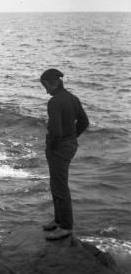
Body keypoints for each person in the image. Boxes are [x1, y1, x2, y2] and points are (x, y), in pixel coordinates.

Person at [40, 69, 89, 240]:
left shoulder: (54, 102)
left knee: (59, 186)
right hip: (70, 145)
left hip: (59, 148)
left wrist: (52, 145)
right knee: (56, 183)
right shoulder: (72, 98)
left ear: (48, 83)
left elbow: (56, 132)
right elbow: (84, 122)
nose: (45, 90)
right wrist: (72, 136)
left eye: (44, 86)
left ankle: (66, 226)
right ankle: (58, 220)